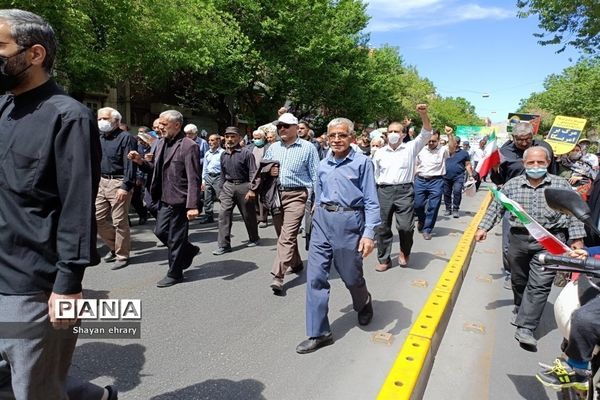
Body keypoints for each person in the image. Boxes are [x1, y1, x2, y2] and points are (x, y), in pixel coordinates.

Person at [0, 9, 120, 400]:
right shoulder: (3, 107)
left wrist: (68, 286)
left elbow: (76, 207)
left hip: (33, 288)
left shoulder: (70, 117)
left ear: (34, 54)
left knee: (36, 387)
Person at [475, 146, 585, 349]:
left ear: (548, 163)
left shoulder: (561, 185)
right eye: (531, 163)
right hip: (519, 239)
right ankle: (520, 305)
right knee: (519, 279)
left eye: (540, 162)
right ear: (524, 164)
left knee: (540, 284)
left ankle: (526, 327)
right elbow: (497, 207)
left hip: (549, 241)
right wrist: (483, 228)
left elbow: (573, 212)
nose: (536, 166)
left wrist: (577, 239)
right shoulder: (512, 185)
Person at [296, 117, 380, 354]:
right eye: (332, 135)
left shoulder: (363, 163)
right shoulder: (323, 164)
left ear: (351, 138)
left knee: (351, 277)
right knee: (315, 278)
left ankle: (363, 301)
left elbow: (372, 202)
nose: (336, 139)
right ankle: (319, 333)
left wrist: (368, 234)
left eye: (342, 135)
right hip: (323, 221)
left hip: (349, 223)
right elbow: (318, 196)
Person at [128, 110, 201, 288]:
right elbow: (154, 168)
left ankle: (175, 273)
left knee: (176, 238)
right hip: (162, 198)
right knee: (160, 232)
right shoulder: (160, 143)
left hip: (180, 200)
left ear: (177, 125)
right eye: (159, 124)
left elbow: (193, 178)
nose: (159, 127)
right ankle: (189, 250)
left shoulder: (188, 145)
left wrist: (192, 205)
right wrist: (140, 162)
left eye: (163, 124)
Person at [491, 122, 558, 290]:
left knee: (541, 241)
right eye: (519, 140)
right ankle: (511, 273)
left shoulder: (544, 148)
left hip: (542, 203)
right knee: (509, 244)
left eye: (527, 139)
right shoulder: (504, 152)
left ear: (532, 137)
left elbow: (554, 174)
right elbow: (499, 181)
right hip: (514, 206)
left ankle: (536, 272)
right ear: (513, 138)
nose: (523, 143)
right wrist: (495, 171)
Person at [262, 112, 320, 294]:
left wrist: (317, 199)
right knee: (283, 235)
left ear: (296, 128)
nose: (282, 129)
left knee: (287, 236)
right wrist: (269, 171)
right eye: (279, 126)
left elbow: (316, 175)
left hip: (297, 196)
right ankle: (295, 263)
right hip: (277, 195)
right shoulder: (273, 148)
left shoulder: (308, 148)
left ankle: (278, 276)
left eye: (286, 126)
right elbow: (263, 168)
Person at [371, 104, 432, 271]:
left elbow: (426, 133)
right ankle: (384, 259)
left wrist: (423, 114)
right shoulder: (379, 153)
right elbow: (374, 175)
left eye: (396, 131)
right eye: (390, 131)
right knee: (382, 227)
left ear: (403, 134)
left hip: (405, 191)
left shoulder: (410, 148)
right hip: (383, 191)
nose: (392, 134)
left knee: (405, 227)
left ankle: (405, 251)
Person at [96, 107, 137, 270]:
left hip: (119, 183)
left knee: (119, 221)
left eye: (105, 119)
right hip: (102, 182)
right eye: (99, 119)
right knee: (96, 218)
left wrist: (125, 186)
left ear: (116, 121)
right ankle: (114, 246)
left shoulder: (126, 138)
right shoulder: (100, 138)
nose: (101, 122)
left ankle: (122, 254)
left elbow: (130, 164)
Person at [212, 126, 260, 255]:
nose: (230, 139)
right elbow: (222, 174)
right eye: (227, 136)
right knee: (223, 215)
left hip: (244, 186)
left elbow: (253, 173)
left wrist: (252, 190)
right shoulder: (223, 154)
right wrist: (220, 191)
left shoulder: (246, 153)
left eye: (233, 136)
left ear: (239, 138)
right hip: (228, 186)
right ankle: (224, 245)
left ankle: (254, 237)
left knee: (248, 215)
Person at [414, 129, 450, 240]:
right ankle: (422, 220)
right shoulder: (420, 150)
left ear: (438, 140)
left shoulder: (443, 150)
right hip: (420, 180)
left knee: (433, 207)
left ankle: (427, 229)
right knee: (418, 205)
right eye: (429, 141)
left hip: (436, 181)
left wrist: (450, 135)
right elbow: (415, 165)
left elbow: (452, 147)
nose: (430, 143)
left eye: (433, 141)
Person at [443, 135, 474, 218]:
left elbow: (467, 164)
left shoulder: (464, 153)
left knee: (457, 191)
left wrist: (471, 175)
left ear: (458, 143)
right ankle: (448, 208)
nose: (451, 144)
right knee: (446, 193)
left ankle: (456, 209)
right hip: (445, 176)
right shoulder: (445, 151)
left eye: (454, 142)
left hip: (458, 176)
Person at [199, 134, 224, 224]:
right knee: (207, 198)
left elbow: (224, 167)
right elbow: (205, 168)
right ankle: (208, 216)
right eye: (209, 140)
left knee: (221, 197)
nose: (210, 142)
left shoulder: (223, 153)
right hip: (208, 177)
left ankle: (225, 215)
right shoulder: (207, 153)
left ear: (218, 141)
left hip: (218, 177)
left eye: (212, 140)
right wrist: (203, 180)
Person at [248, 129, 270, 228]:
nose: (256, 140)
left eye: (258, 138)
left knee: (263, 198)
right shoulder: (249, 148)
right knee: (254, 197)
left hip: (264, 176)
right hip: (252, 176)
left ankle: (263, 218)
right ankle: (257, 216)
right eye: (255, 138)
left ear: (263, 138)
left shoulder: (268, 148)